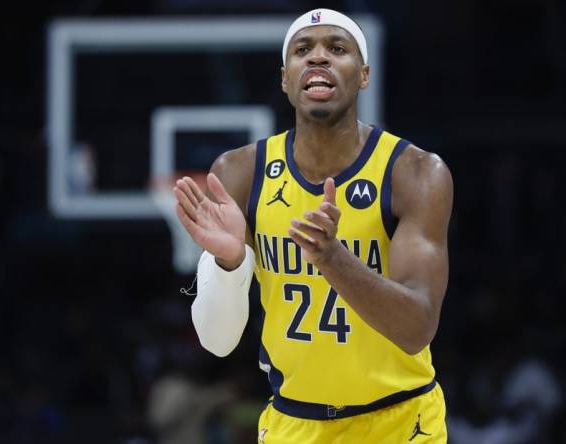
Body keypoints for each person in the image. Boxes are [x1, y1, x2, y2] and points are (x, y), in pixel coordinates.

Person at [173, 8, 452, 443]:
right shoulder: (240, 172)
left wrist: (332, 258)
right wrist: (229, 265)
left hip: (401, 421)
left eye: (336, 48)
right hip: (294, 423)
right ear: (285, 78)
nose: (318, 58)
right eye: (303, 49)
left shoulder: (414, 173)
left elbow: (416, 329)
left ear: (363, 74)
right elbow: (218, 341)